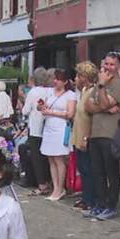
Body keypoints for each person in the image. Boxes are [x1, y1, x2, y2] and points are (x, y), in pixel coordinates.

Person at [86, 55, 120, 220]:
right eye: (106, 64)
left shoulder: (119, 86)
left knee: (111, 172)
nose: (108, 67)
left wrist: (102, 88)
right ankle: (100, 203)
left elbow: (102, 103)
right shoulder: (98, 85)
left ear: (118, 66)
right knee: (97, 171)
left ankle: (111, 205)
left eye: (112, 64)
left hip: (110, 134)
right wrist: (103, 106)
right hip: (95, 132)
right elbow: (88, 106)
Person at [39, 69, 77, 201]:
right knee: (51, 158)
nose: (55, 81)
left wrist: (52, 112)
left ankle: (60, 188)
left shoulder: (70, 95)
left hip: (61, 128)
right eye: (54, 79)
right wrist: (42, 107)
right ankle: (55, 187)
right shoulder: (50, 92)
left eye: (58, 79)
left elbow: (70, 114)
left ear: (65, 81)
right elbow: (43, 107)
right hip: (49, 127)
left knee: (59, 159)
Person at [22, 68, 53, 195]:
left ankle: (41, 184)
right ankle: (49, 181)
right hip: (48, 128)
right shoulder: (50, 91)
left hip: (35, 128)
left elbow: (25, 110)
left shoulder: (33, 92)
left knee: (37, 157)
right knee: (48, 157)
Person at [71, 63, 96, 213]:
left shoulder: (92, 92)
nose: (75, 79)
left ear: (84, 77)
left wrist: (87, 137)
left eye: (78, 76)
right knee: (82, 168)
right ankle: (86, 197)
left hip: (86, 136)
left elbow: (92, 117)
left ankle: (90, 198)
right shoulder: (84, 91)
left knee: (88, 169)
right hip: (77, 135)